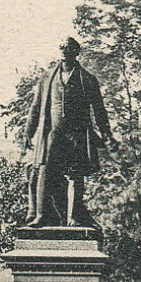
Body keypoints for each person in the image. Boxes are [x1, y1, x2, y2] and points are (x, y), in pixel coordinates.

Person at [23, 38, 113, 228]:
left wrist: (106, 133)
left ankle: (75, 216)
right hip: (53, 134)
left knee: (76, 175)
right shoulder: (47, 78)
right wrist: (27, 133)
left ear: (76, 52)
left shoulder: (88, 79)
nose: (65, 51)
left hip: (78, 134)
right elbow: (36, 106)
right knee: (45, 171)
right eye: (62, 47)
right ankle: (42, 215)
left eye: (69, 48)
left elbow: (99, 109)